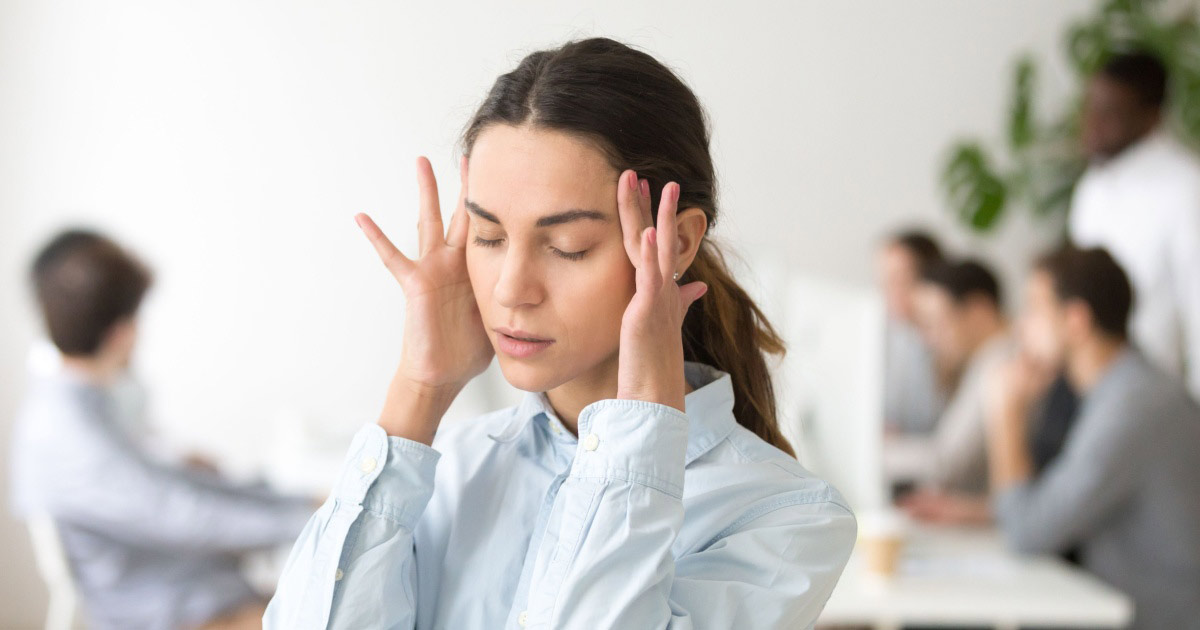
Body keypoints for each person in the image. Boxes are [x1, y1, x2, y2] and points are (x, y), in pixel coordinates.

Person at [264, 37, 856, 629]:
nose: (511, 288)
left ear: (675, 241)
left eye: (566, 247)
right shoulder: (452, 468)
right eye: (489, 238)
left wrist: (642, 421)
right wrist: (418, 390)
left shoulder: (785, 516)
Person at [10, 230, 316, 630]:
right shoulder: (71, 433)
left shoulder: (87, 403)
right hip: (172, 610)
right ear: (122, 332)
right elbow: (187, 514)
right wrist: (312, 515)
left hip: (198, 586)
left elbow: (178, 488)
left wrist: (292, 500)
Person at [987, 246, 1200, 630]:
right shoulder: (1122, 390)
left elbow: (1026, 532)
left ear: (1076, 320)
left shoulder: (1132, 407)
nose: (1021, 328)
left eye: (1034, 309)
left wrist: (1006, 414)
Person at [1069, 50, 1200, 399]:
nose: (1092, 123)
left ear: (1151, 118)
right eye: (1091, 107)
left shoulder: (1186, 187)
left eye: (1109, 112)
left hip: (1156, 398)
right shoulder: (1092, 188)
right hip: (1090, 391)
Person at [887, 260, 1009, 522]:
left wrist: (876, 451)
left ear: (978, 311)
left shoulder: (999, 362)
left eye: (936, 323)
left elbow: (945, 460)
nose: (930, 340)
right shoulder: (984, 361)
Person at [878, 230, 947, 434]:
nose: (888, 291)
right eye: (884, 280)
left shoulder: (947, 345)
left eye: (899, 280)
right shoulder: (894, 336)